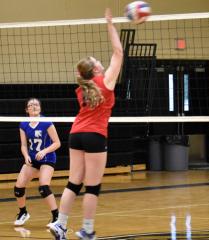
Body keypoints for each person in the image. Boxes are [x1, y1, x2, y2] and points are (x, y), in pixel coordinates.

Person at [49, 8, 123, 240]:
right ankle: (87, 230)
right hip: (94, 136)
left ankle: (60, 224)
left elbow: (84, 70)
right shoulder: (106, 80)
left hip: (76, 134)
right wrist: (110, 24)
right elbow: (118, 52)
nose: (100, 61)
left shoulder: (82, 88)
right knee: (92, 187)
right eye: (96, 61)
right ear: (96, 69)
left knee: (73, 182)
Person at [15, 98, 61, 227]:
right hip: (33, 159)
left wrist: (45, 151)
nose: (34, 106)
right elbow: (23, 145)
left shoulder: (46, 122)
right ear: (26, 109)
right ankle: (23, 212)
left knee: (43, 186)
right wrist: (26, 156)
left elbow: (57, 143)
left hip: (48, 158)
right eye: (31, 105)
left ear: (40, 108)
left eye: (36, 104)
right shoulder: (23, 124)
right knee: (18, 187)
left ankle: (56, 217)